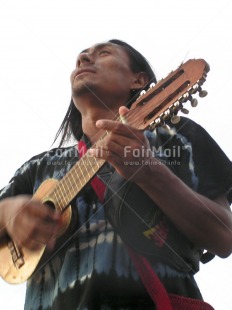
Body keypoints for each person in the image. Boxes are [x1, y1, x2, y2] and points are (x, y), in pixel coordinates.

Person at [0, 39, 232, 310]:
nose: (83, 60)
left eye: (103, 53)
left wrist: (150, 172)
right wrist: (9, 214)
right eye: (81, 58)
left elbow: (224, 236)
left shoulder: (177, 138)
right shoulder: (39, 168)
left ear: (139, 79)